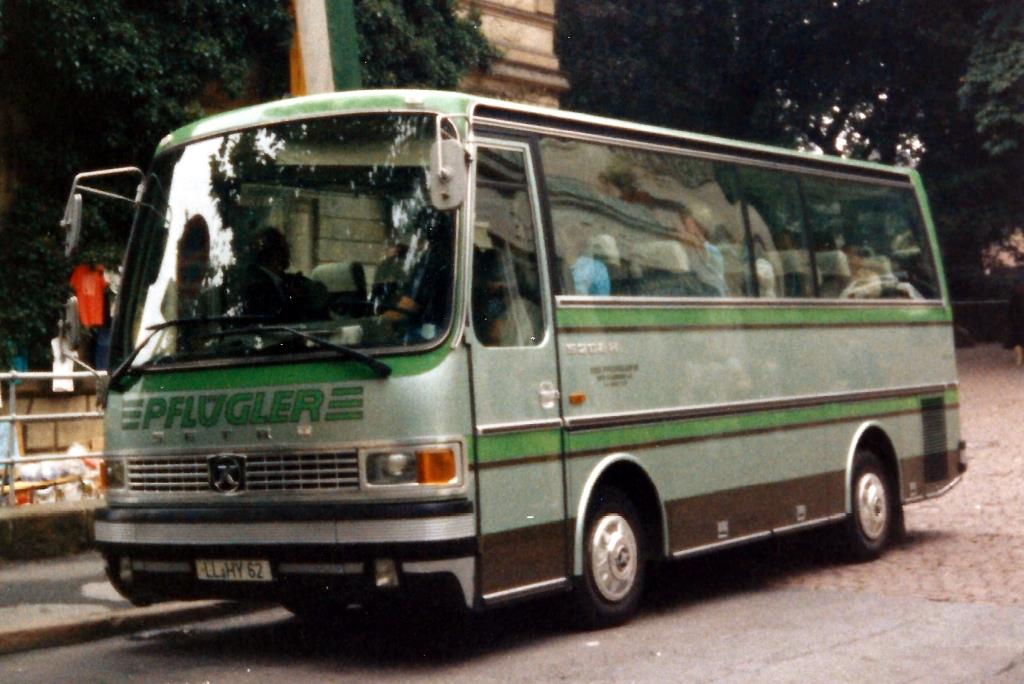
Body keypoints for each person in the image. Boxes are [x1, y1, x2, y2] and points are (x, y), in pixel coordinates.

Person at [241, 227, 327, 322]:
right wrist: (293, 297)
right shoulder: (256, 285)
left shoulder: (282, 280)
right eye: (285, 248)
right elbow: (274, 319)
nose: (288, 254)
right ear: (276, 254)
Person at [676, 200, 726, 296]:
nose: (683, 225)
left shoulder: (711, 250)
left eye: (686, 221)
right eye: (683, 221)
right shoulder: (690, 245)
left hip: (712, 297)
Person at [1008, 282, 1024, 366]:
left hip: (1017, 322)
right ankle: (1019, 357)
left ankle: (1020, 358)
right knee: (1018, 341)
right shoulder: (1015, 298)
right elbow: (1011, 311)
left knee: (1018, 340)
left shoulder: (1014, 298)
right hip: (1018, 322)